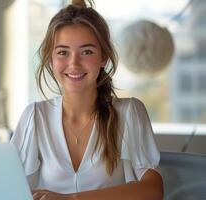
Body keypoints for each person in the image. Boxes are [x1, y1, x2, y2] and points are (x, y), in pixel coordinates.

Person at [10, 0, 164, 199]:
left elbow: (153, 190)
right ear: (50, 58)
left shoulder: (129, 113)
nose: (74, 64)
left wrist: (71, 199)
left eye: (87, 52)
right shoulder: (35, 116)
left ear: (104, 58)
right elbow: (8, 185)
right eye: (63, 52)